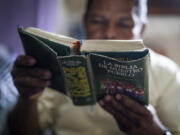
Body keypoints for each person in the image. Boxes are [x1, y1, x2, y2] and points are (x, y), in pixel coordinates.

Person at [8, 0, 180, 135]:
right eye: (98, 21)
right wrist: (27, 98)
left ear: (142, 28)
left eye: (124, 24)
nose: (109, 33)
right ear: (85, 23)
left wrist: (155, 132)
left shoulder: (167, 73)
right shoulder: (59, 64)